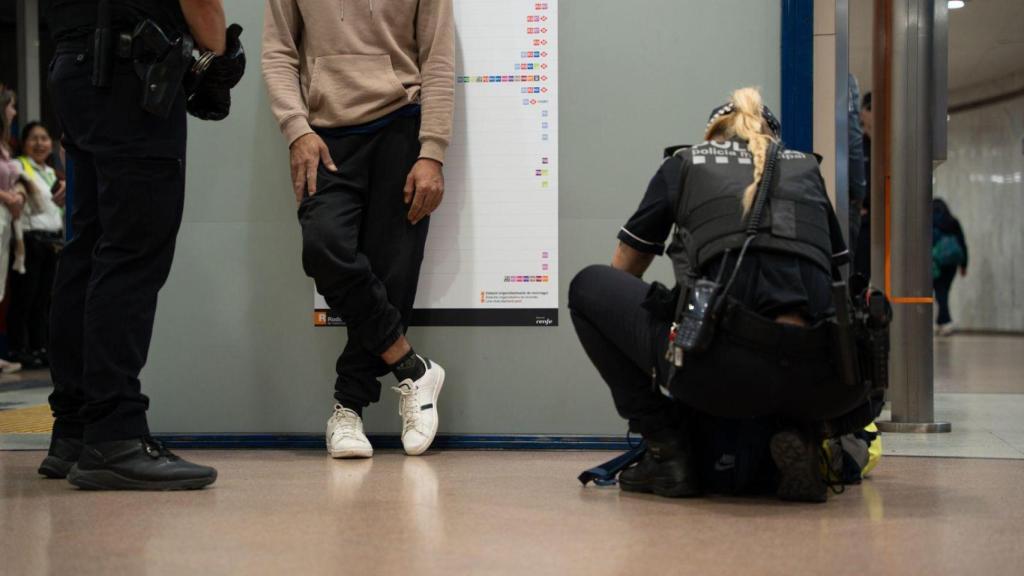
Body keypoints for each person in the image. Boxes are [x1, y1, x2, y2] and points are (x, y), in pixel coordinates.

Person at [570, 88, 878, 503]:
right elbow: (839, 282)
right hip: (827, 386)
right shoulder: (807, 171)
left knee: (588, 287)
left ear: (712, 135)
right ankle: (811, 435)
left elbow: (622, 270)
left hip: (720, 375)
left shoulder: (685, 163)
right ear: (774, 139)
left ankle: (667, 449)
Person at [41, 0, 245, 490]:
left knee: (88, 249)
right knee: (132, 251)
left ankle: (74, 428)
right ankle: (115, 434)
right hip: (130, 76)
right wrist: (215, 57)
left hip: (75, 67)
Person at [262, 0, 455, 459]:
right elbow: (278, 53)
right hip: (324, 136)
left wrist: (433, 151)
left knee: (393, 274)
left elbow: (438, 57)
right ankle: (412, 368)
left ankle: (347, 407)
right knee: (324, 247)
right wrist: (296, 129)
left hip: (401, 127)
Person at [8, 122, 66, 370]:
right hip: (30, 239)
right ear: (23, 143)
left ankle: (39, 347)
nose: (40, 143)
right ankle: (19, 349)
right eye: (34, 138)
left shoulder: (52, 172)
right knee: (25, 297)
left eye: (44, 138)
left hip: (52, 241)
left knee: (44, 299)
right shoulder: (20, 166)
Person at [0, 86, 26, 375]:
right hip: (2, 214)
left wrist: (17, 192)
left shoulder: (6, 145)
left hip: (7, 221)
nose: (14, 112)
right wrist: (8, 196)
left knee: (0, 284)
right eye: (10, 106)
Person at [932, 198, 967, 336]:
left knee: (940, 292)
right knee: (944, 292)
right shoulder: (953, 222)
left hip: (936, 262)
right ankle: (942, 322)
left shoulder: (930, 222)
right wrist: (964, 265)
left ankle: (945, 322)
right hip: (952, 263)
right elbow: (962, 243)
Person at [854, 92, 873, 280]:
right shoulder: (857, 146)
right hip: (864, 223)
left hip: (888, 220)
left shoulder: (892, 145)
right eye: (870, 109)